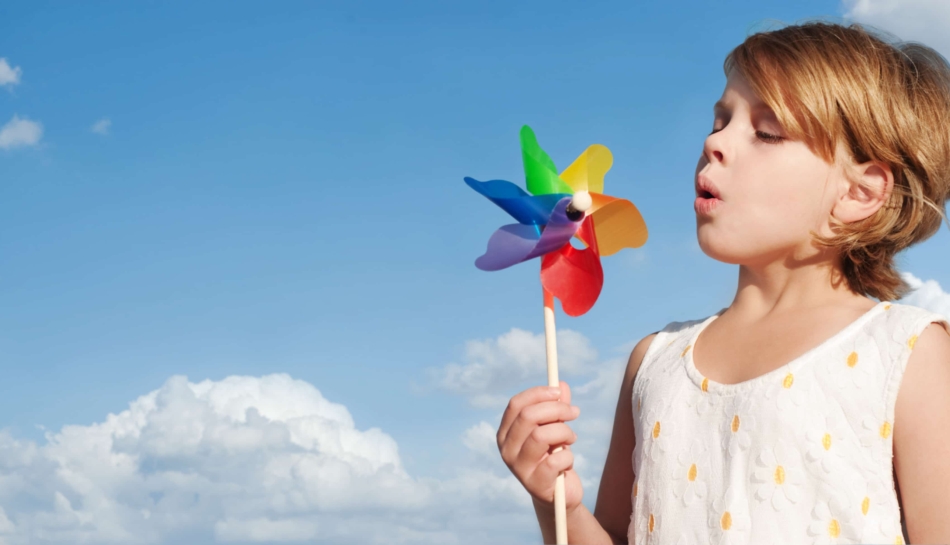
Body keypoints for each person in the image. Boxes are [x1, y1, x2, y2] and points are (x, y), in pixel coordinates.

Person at [496, 21, 950, 544]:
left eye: (767, 132)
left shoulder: (903, 353)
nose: (715, 141)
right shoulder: (656, 361)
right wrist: (559, 505)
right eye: (720, 119)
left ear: (858, 194)